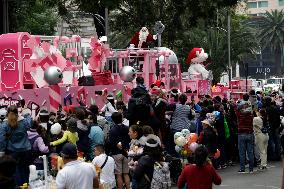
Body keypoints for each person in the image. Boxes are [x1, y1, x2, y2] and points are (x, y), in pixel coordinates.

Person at [0, 106, 32, 186]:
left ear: (7, 114)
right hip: (26, 150)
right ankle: (26, 186)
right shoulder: (23, 122)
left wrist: (2, 152)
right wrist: (26, 113)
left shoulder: (4, 125)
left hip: (12, 151)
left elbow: (2, 140)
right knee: (25, 170)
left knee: (16, 171)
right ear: (17, 113)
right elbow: (30, 124)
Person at [108, 112, 131, 189]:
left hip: (116, 153)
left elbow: (110, 143)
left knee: (118, 175)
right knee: (126, 174)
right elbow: (129, 139)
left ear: (113, 120)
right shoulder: (127, 128)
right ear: (121, 118)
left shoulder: (112, 130)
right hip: (126, 152)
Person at [236, 94, 255, 173]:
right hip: (250, 133)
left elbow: (236, 108)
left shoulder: (239, 115)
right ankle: (251, 169)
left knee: (242, 152)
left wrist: (241, 104)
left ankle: (242, 168)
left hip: (241, 134)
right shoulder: (251, 115)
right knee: (250, 152)